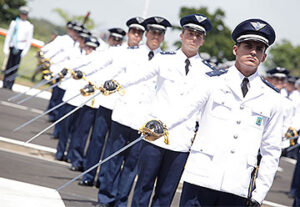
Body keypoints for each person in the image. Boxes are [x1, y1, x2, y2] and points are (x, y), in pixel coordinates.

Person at [171, 18, 284, 207]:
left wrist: (259, 193)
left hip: (237, 185)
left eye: (259, 49)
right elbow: (183, 112)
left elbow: (271, 150)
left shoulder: (273, 98)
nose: (253, 52)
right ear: (235, 50)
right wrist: (159, 124)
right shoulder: (212, 82)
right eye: (247, 45)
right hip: (201, 177)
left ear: (264, 57)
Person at [127, 14, 214, 207]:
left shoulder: (209, 72)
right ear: (181, 36)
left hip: (181, 141)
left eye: (198, 35)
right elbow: (137, 76)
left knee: (165, 194)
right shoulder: (164, 60)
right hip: (154, 136)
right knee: (143, 187)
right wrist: (115, 83)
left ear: (202, 40)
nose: (193, 38)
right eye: (190, 33)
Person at [94, 16, 172, 207]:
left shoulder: (167, 60)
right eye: (153, 32)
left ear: (163, 37)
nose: (156, 36)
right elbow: (114, 74)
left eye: (160, 33)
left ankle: (120, 202)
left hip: (144, 122)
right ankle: (105, 198)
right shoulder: (130, 54)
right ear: (146, 34)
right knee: (113, 160)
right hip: (123, 114)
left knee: (132, 166)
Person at [74, 17, 146, 174]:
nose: (136, 36)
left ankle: (103, 177)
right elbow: (98, 65)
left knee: (113, 145)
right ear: (128, 33)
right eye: (134, 32)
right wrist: (83, 73)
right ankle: (89, 173)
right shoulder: (116, 51)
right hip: (108, 101)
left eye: (140, 33)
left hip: (125, 106)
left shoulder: (144, 55)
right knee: (98, 139)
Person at [2, 5, 33, 90]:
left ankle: (11, 84)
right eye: (22, 14)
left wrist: (25, 51)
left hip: (21, 47)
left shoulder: (29, 26)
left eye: (25, 14)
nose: (23, 15)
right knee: (9, 65)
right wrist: (6, 47)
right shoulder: (14, 23)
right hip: (13, 45)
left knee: (15, 67)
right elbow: (9, 36)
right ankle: (5, 83)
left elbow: (29, 40)